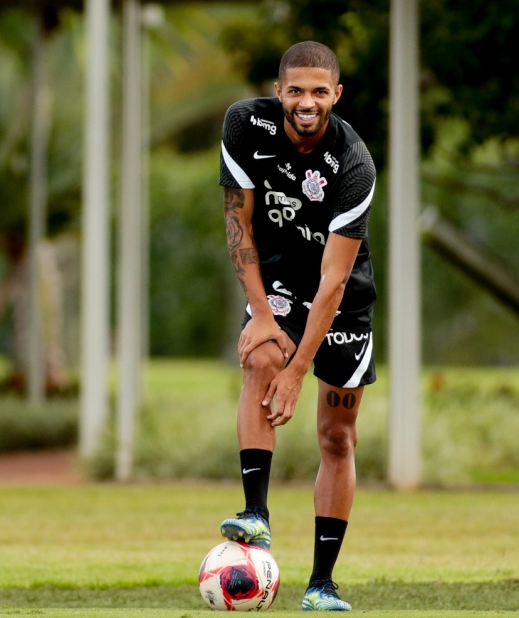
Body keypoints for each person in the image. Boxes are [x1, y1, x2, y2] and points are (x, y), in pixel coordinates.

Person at [217, 40, 377, 612]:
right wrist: (262, 315)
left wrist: (299, 370)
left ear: (336, 94)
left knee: (338, 435)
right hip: (279, 287)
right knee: (260, 359)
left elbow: (333, 282)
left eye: (318, 91)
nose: (306, 101)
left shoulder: (354, 164)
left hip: (342, 302)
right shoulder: (244, 125)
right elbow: (240, 228)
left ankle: (321, 584)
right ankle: (255, 515)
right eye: (295, 90)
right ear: (278, 90)